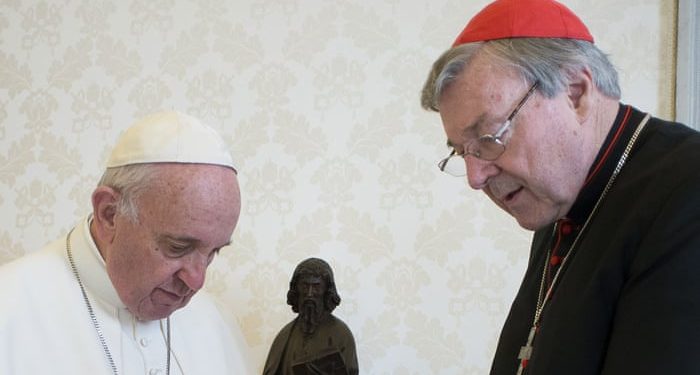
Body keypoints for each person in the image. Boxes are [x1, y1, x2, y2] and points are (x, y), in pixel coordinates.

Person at [420, 0, 700, 374]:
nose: (475, 177)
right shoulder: (561, 205)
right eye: (462, 152)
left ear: (575, 93)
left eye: (488, 138)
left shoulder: (688, 189)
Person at [0, 111, 252, 374]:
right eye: (178, 247)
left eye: (213, 253)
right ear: (109, 214)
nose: (197, 281)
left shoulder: (218, 323)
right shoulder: (7, 310)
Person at [263, 258, 359, 375]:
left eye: (316, 287)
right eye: (304, 286)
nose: (309, 294)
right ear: (297, 289)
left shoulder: (341, 334)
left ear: (326, 291)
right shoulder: (284, 336)